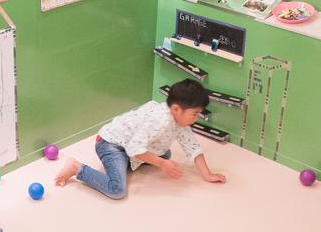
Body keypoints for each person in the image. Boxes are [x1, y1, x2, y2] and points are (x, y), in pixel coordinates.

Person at [54, 78, 226, 198]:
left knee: (165, 154)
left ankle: (125, 164)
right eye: (194, 113)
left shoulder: (179, 121)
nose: (196, 118)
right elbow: (134, 149)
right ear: (176, 109)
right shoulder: (159, 121)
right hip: (110, 144)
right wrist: (161, 164)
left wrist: (207, 174)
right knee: (117, 190)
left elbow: (193, 146)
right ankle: (76, 168)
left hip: (129, 146)